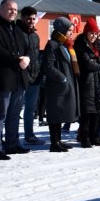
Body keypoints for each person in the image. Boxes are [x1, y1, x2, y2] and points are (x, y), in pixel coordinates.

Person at [0, 0, 31, 159]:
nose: (13, 11)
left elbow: (25, 48)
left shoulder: (16, 29)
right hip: (3, 79)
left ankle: (12, 143)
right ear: (1, 10)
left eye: (15, 9)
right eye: (10, 9)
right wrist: (17, 60)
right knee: (0, 115)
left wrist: (26, 58)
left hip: (19, 78)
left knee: (14, 114)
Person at [40, 18, 79, 152]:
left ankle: (58, 140)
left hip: (65, 85)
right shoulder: (52, 44)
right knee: (55, 114)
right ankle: (54, 142)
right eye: (69, 30)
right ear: (61, 30)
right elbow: (47, 66)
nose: (71, 33)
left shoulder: (64, 45)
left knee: (61, 113)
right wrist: (62, 78)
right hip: (56, 86)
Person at [74, 18, 100, 148]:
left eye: (96, 33)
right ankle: (84, 137)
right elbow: (87, 65)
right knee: (87, 113)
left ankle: (94, 135)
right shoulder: (80, 46)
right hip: (87, 83)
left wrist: (98, 59)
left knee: (97, 111)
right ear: (86, 33)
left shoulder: (98, 46)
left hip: (99, 83)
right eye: (91, 33)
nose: (94, 36)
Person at [18, 6, 44, 145]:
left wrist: (38, 72)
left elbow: (37, 56)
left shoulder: (35, 35)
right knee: (15, 110)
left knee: (30, 109)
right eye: (28, 18)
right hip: (21, 77)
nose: (31, 21)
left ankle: (29, 135)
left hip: (35, 77)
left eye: (33, 18)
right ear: (22, 18)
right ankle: (12, 136)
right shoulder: (17, 33)